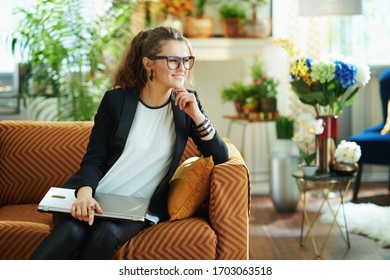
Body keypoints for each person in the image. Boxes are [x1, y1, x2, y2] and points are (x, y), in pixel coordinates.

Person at [31, 26, 229, 260]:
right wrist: (84, 194)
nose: (183, 68)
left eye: (187, 60)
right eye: (174, 61)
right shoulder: (115, 101)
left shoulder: (187, 104)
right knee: (72, 232)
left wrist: (197, 116)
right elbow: (94, 158)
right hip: (94, 196)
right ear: (149, 64)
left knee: (106, 233)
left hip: (137, 207)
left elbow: (220, 155)